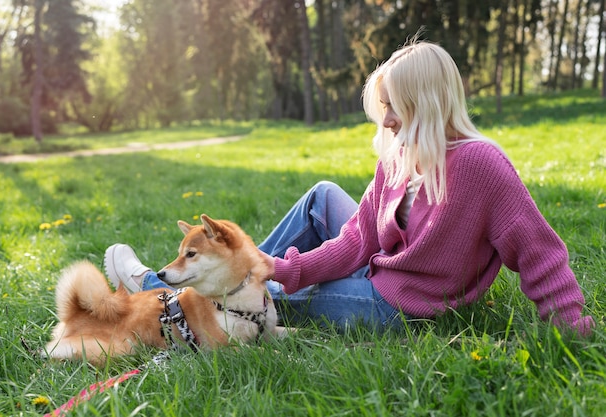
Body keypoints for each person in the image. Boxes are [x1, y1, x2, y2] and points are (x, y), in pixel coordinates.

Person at [104, 40, 594, 336]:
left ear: (429, 102)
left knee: (269, 303)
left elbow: (539, 251)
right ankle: (244, 276)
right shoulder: (399, 156)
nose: (387, 119)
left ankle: (159, 290)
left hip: (401, 302)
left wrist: (570, 330)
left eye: (396, 106)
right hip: (379, 266)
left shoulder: (482, 166)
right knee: (320, 197)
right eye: (383, 106)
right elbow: (359, 237)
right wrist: (281, 267)